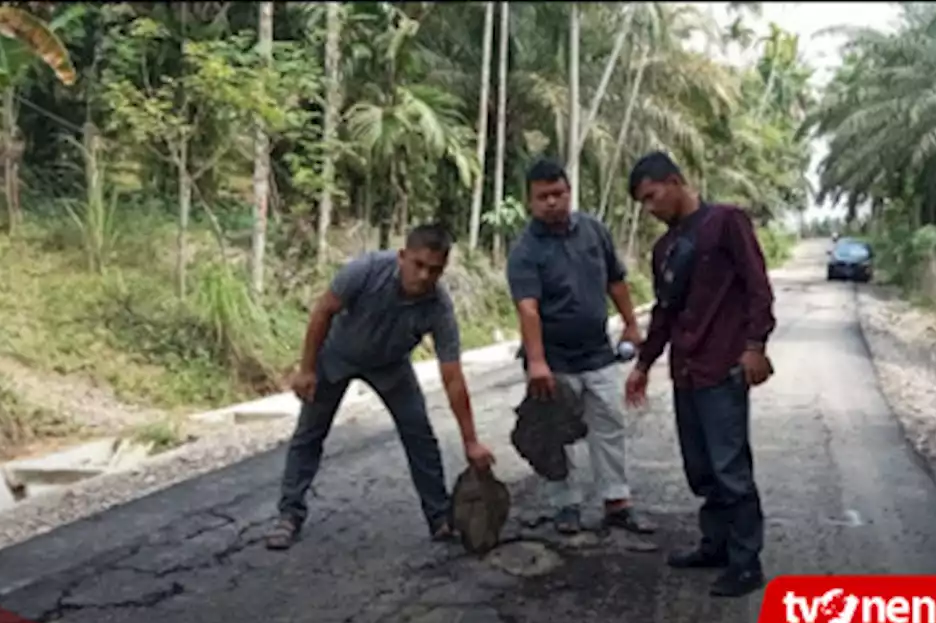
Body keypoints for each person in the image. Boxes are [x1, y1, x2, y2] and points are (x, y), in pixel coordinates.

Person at [265, 224, 496, 550]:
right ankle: (289, 515)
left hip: (391, 367)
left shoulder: (438, 306)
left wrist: (471, 441)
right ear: (402, 256)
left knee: (420, 435)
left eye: (435, 270)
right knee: (309, 435)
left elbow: (453, 375)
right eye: (418, 265)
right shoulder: (366, 270)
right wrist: (307, 369)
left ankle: (439, 517)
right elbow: (323, 311)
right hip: (337, 357)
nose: (424, 276)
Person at [624, 151, 776, 597]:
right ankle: (716, 544)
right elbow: (665, 314)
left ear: (674, 181)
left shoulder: (726, 222)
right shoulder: (664, 249)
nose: (650, 209)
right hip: (686, 371)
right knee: (701, 468)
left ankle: (746, 562)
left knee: (730, 468)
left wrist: (755, 346)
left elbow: (757, 286)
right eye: (643, 203)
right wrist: (644, 364)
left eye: (652, 197)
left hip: (723, 366)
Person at [505, 157, 653, 536]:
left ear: (569, 193)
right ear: (529, 201)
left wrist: (632, 326)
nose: (551, 202)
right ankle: (564, 505)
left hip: (597, 353)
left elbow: (616, 282)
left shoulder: (594, 232)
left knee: (609, 424)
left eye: (558, 193)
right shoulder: (525, 250)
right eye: (543, 196)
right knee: (553, 433)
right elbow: (528, 308)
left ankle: (617, 502)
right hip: (552, 361)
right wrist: (537, 361)